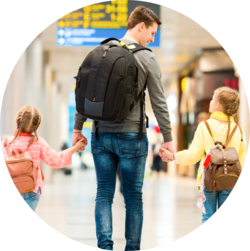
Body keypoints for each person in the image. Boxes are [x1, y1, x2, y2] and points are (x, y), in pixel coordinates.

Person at [72, 6, 174, 251]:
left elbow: (85, 93)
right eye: (152, 32)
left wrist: (78, 128)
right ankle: (132, 249)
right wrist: (168, 138)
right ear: (140, 26)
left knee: (104, 194)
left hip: (101, 135)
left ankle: (104, 246)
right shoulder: (147, 57)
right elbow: (159, 101)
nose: (152, 38)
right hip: (132, 135)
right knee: (133, 199)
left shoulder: (103, 52)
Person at [160, 87, 247, 226]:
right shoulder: (238, 129)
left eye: (213, 99)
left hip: (209, 181)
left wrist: (172, 156)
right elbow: (242, 159)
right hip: (231, 181)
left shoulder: (205, 126)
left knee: (208, 217)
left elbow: (193, 155)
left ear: (217, 105)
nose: (211, 101)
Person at [0, 105, 85, 213]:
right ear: (37, 125)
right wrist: (75, 148)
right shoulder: (38, 142)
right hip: (32, 190)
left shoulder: (7, 143)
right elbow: (55, 159)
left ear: (17, 120)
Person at [188, 112, 209, 178]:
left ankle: (206, 177)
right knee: (199, 165)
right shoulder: (195, 129)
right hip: (198, 152)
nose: (203, 120)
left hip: (208, 152)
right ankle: (199, 178)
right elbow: (191, 140)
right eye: (202, 119)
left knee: (207, 166)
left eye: (205, 119)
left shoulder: (209, 129)